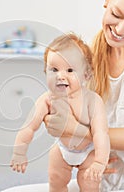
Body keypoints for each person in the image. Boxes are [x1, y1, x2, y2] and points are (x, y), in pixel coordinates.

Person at [44, 0, 124, 191]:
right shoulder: (92, 52)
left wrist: (77, 131)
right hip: (99, 180)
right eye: (117, 14)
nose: (120, 30)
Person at [10, 33, 110, 192]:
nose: (60, 76)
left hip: (89, 151)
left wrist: (99, 162)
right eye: (54, 69)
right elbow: (29, 127)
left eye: (70, 70)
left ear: (86, 74)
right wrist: (19, 152)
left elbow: (101, 133)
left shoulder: (92, 100)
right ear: (45, 72)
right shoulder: (47, 99)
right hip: (63, 150)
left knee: (88, 183)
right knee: (55, 179)